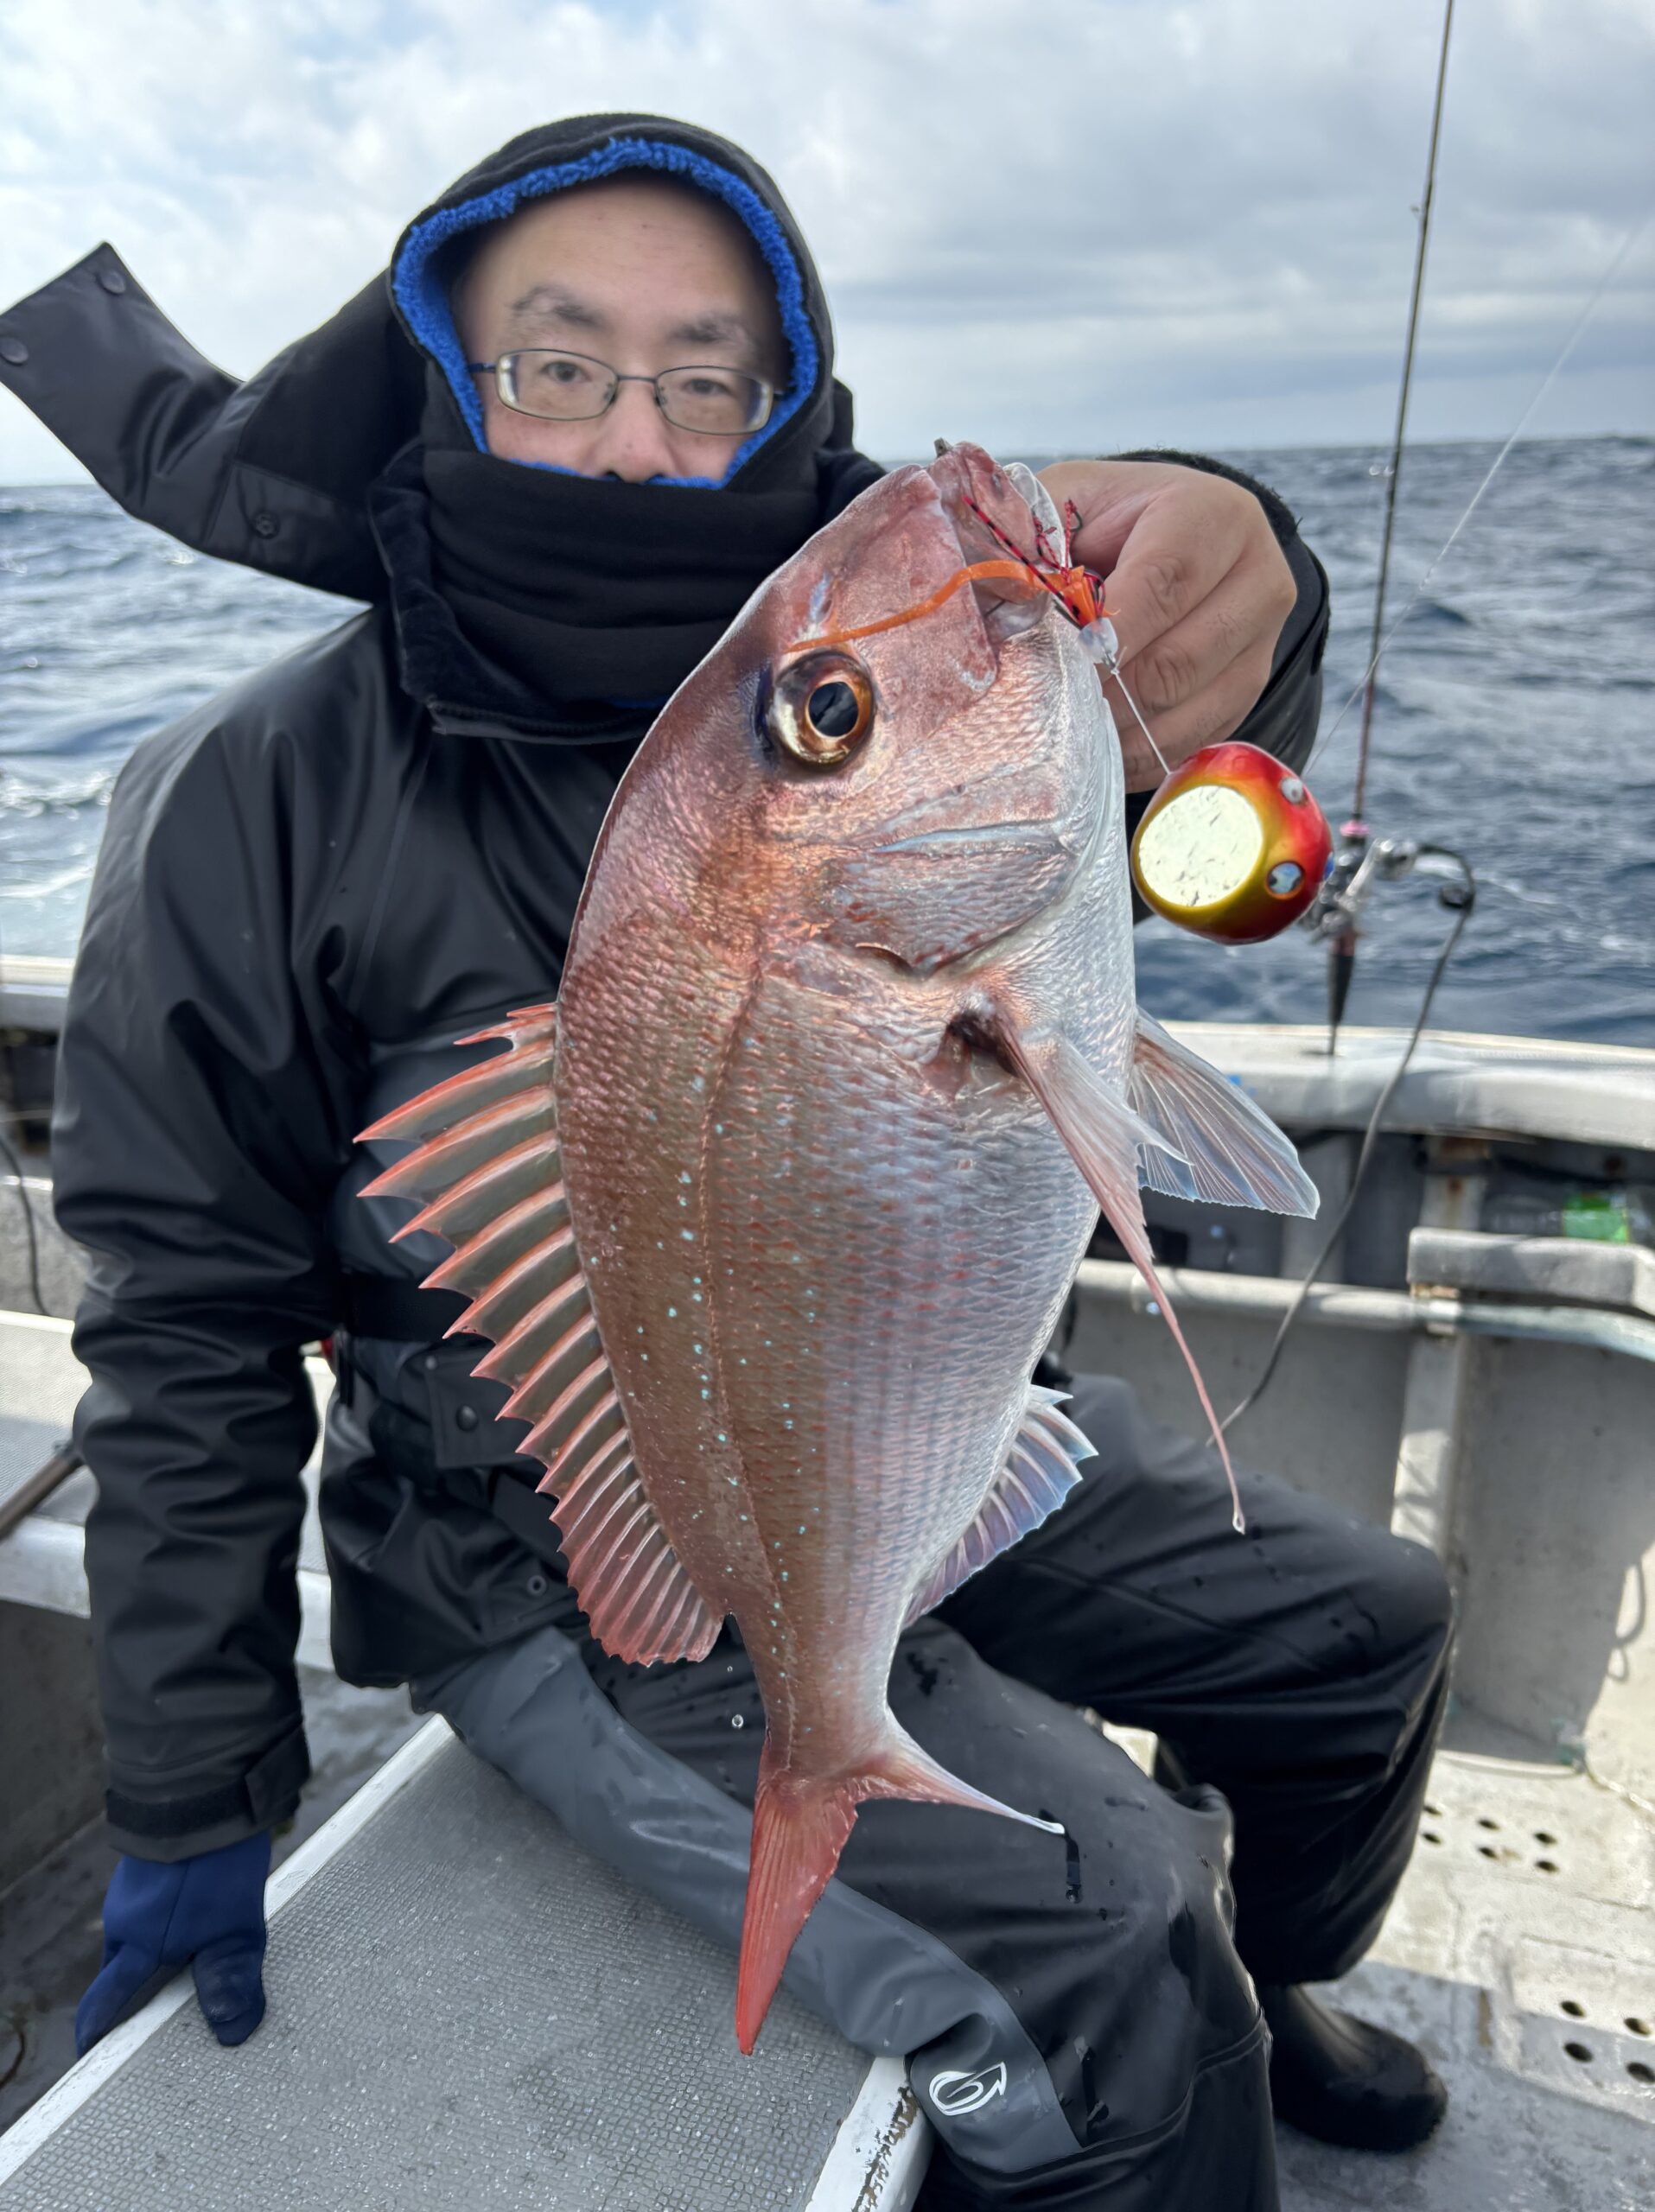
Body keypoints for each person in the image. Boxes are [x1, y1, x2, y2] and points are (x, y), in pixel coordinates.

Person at [0, 114, 1451, 2210]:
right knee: (1121, 1957)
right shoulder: (247, 788)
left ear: (786, 407)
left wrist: (1251, 566)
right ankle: (1147, 1964)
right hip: (542, 1556)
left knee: (1369, 1627)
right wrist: (191, 1790)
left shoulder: (894, 652)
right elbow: (189, 1331)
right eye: (558, 364)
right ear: (441, 373)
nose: (632, 442)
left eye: (708, 380)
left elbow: (1167, 741)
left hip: (908, 1411)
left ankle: (1285, 1970)